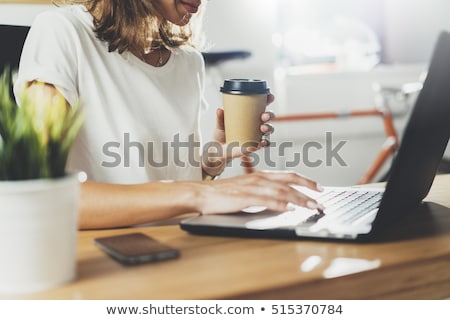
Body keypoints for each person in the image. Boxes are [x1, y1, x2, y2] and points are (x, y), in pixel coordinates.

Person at [14, 0, 324, 230]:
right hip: (109, 254)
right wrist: (201, 193)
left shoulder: (189, 61)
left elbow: (176, 187)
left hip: (184, 241)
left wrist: (213, 160)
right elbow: (40, 195)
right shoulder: (62, 32)